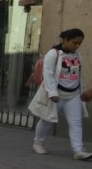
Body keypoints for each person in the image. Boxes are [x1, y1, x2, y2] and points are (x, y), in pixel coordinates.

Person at [31, 28, 92, 160]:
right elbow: (48, 74)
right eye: (74, 42)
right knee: (47, 119)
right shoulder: (54, 54)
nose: (77, 46)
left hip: (73, 95)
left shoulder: (77, 55)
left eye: (79, 43)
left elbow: (78, 75)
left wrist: (81, 91)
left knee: (76, 122)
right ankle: (38, 143)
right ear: (65, 40)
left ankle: (78, 150)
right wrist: (52, 93)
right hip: (56, 95)